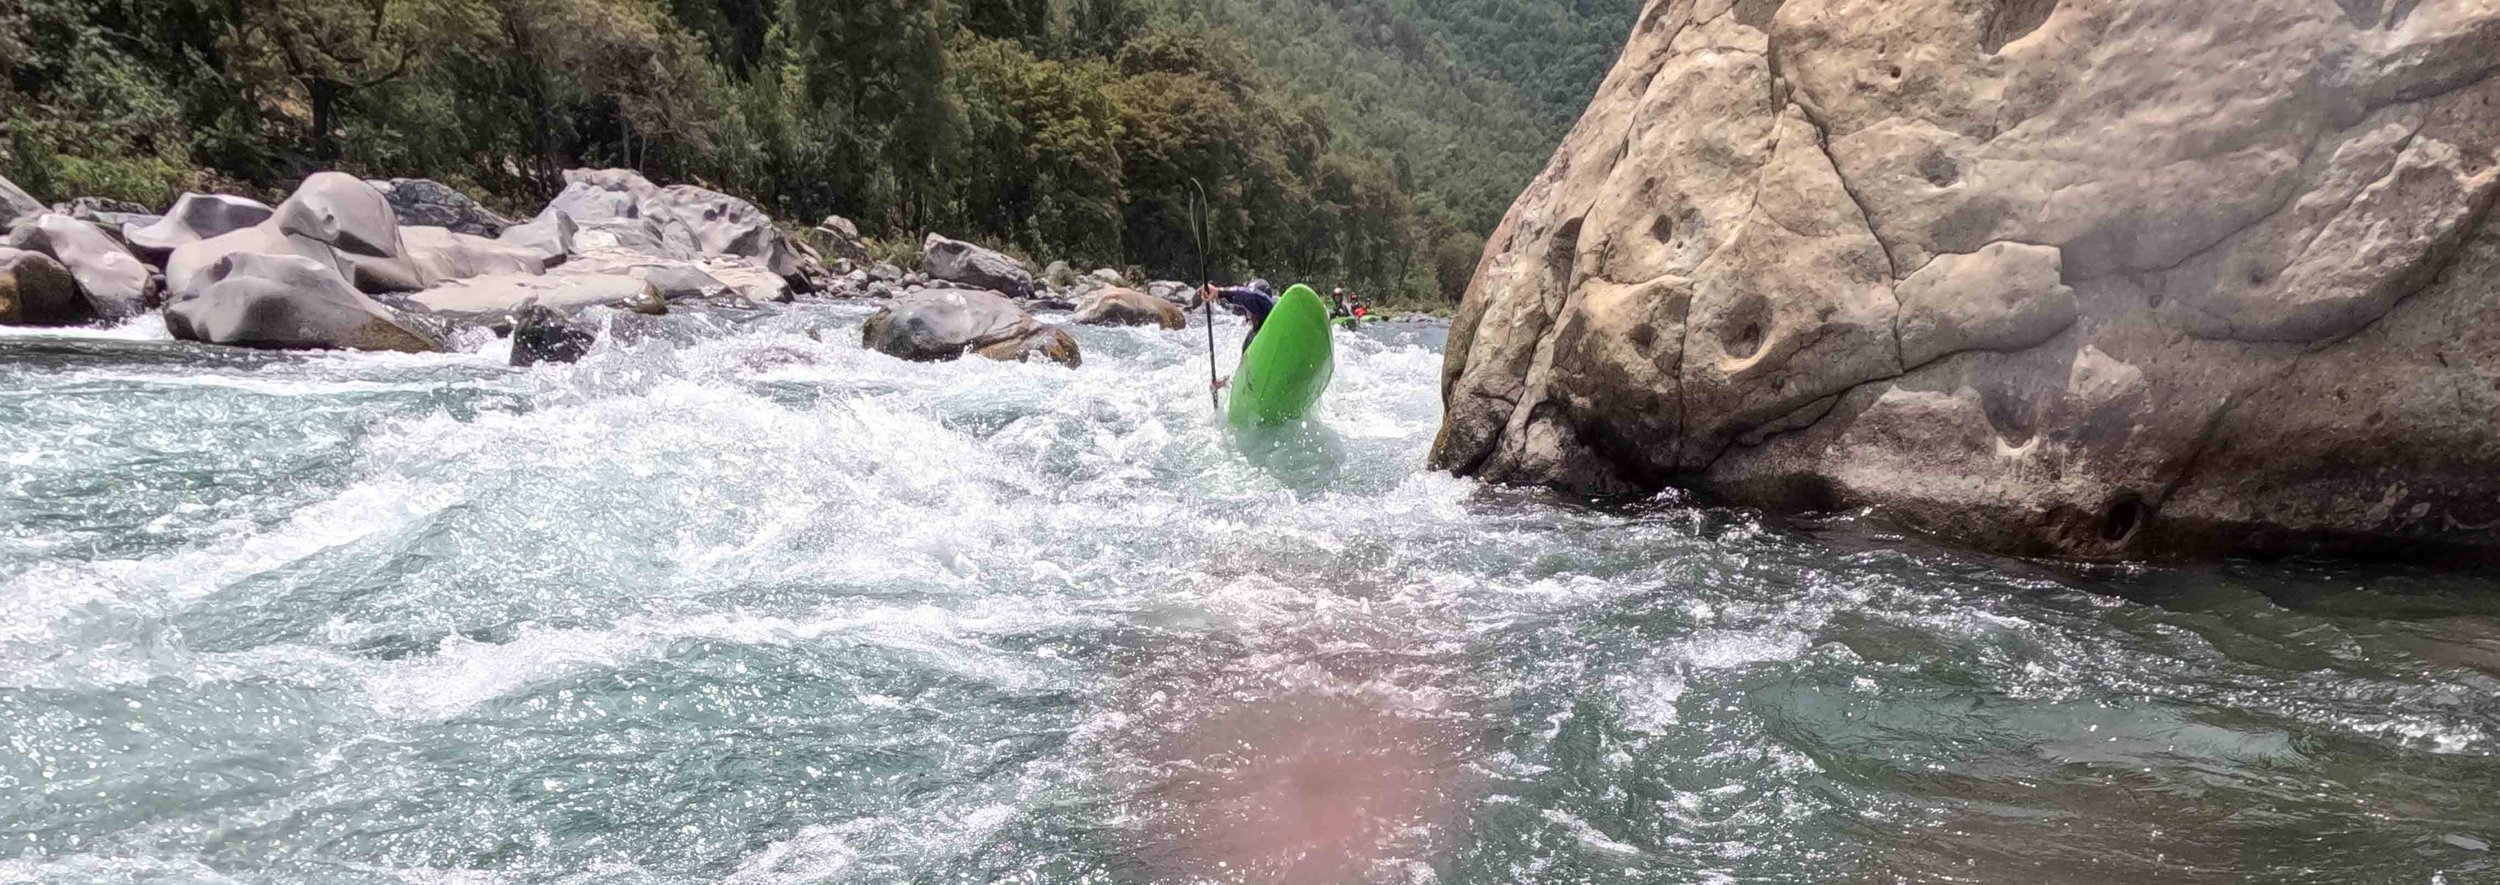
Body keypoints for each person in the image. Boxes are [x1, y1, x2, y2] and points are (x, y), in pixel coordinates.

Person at [1199, 279, 1277, 390]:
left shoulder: (1272, 310)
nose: (1250, 315)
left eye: (1252, 308)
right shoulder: (1250, 340)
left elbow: (1254, 297)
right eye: (1247, 309)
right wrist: (1224, 382)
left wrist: (1219, 292)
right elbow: (1243, 375)